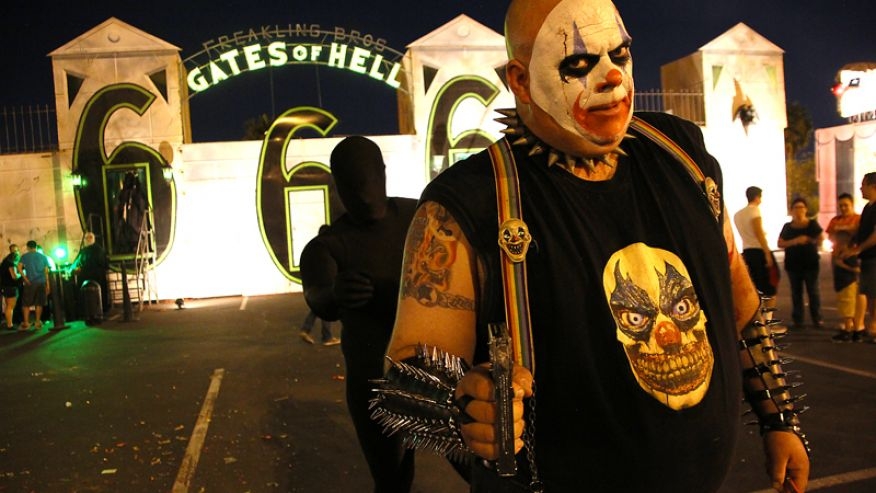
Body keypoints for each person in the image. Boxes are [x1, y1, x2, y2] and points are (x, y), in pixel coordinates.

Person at [373, 0, 810, 491]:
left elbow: (740, 307)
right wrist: (463, 406)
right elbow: (405, 373)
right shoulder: (469, 202)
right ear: (520, 81)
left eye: (619, 55)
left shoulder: (685, 158)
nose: (612, 78)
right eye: (578, 64)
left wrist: (780, 419)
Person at [299, 136, 418, 492]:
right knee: (393, 479)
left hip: (434, 369)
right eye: (354, 187)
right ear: (339, 187)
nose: (365, 197)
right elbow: (318, 296)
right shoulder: (328, 245)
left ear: (383, 175)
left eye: (369, 182)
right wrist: (334, 294)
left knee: (477, 466)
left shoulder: (418, 216)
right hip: (376, 380)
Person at [777, 198, 824, 330]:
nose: (799, 210)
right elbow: (780, 243)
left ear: (806, 209)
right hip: (793, 265)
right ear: (791, 210)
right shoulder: (787, 227)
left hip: (811, 264)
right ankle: (798, 320)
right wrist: (795, 241)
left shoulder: (812, 224)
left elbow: (821, 239)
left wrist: (810, 240)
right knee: (796, 293)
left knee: (813, 292)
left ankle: (817, 318)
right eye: (796, 207)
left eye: (802, 207)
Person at [734, 186, 778, 319]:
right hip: (759, 251)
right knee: (770, 286)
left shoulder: (738, 214)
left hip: (747, 251)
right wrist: (767, 253)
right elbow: (759, 233)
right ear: (757, 197)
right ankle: (767, 319)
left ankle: (756, 319)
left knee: (755, 287)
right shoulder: (754, 211)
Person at [826, 192, 866, 337]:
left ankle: (855, 325)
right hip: (838, 258)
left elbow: (862, 235)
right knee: (843, 293)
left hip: (853, 258)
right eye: (841, 205)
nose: (843, 208)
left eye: (846, 205)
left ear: (852, 205)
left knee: (856, 293)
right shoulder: (835, 220)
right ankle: (849, 324)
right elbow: (830, 236)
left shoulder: (858, 219)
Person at [845, 172, 876, 343]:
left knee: (873, 294)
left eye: (863, 185)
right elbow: (861, 230)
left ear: (873, 186)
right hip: (867, 258)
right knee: (869, 293)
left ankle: (873, 328)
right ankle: (870, 327)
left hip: (873, 257)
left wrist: (859, 249)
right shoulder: (867, 208)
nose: (860, 188)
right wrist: (850, 245)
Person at [830, 230, 861, 342]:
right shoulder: (839, 253)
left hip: (848, 284)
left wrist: (842, 265)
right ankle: (856, 332)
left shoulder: (848, 254)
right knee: (847, 308)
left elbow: (857, 269)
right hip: (842, 284)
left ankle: (848, 332)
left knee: (847, 309)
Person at [71, 231, 111, 316]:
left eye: (89, 238)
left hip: (90, 276)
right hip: (96, 276)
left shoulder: (88, 250)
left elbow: (79, 262)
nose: (88, 239)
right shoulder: (98, 250)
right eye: (87, 238)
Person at [18, 240, 51, 330]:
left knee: (26, 304)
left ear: (27, 247)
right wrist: (47, 284)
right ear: (36, 247)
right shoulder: (43, 257)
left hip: (30, 283)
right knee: (39, 303)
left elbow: (19, 268)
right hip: (41, 282)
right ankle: (37, 322)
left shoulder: (24, 256)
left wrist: (25, 279)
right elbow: (46, 271)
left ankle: (26, 323)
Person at [1, 244, 22, 329]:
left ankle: (9, 323)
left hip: (5, 286)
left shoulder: (4, 263)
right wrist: (22, 274)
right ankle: (10, 325)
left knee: (8, 306)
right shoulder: (11, 264)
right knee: (10, 306)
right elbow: (14, 276)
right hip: (11, 287)